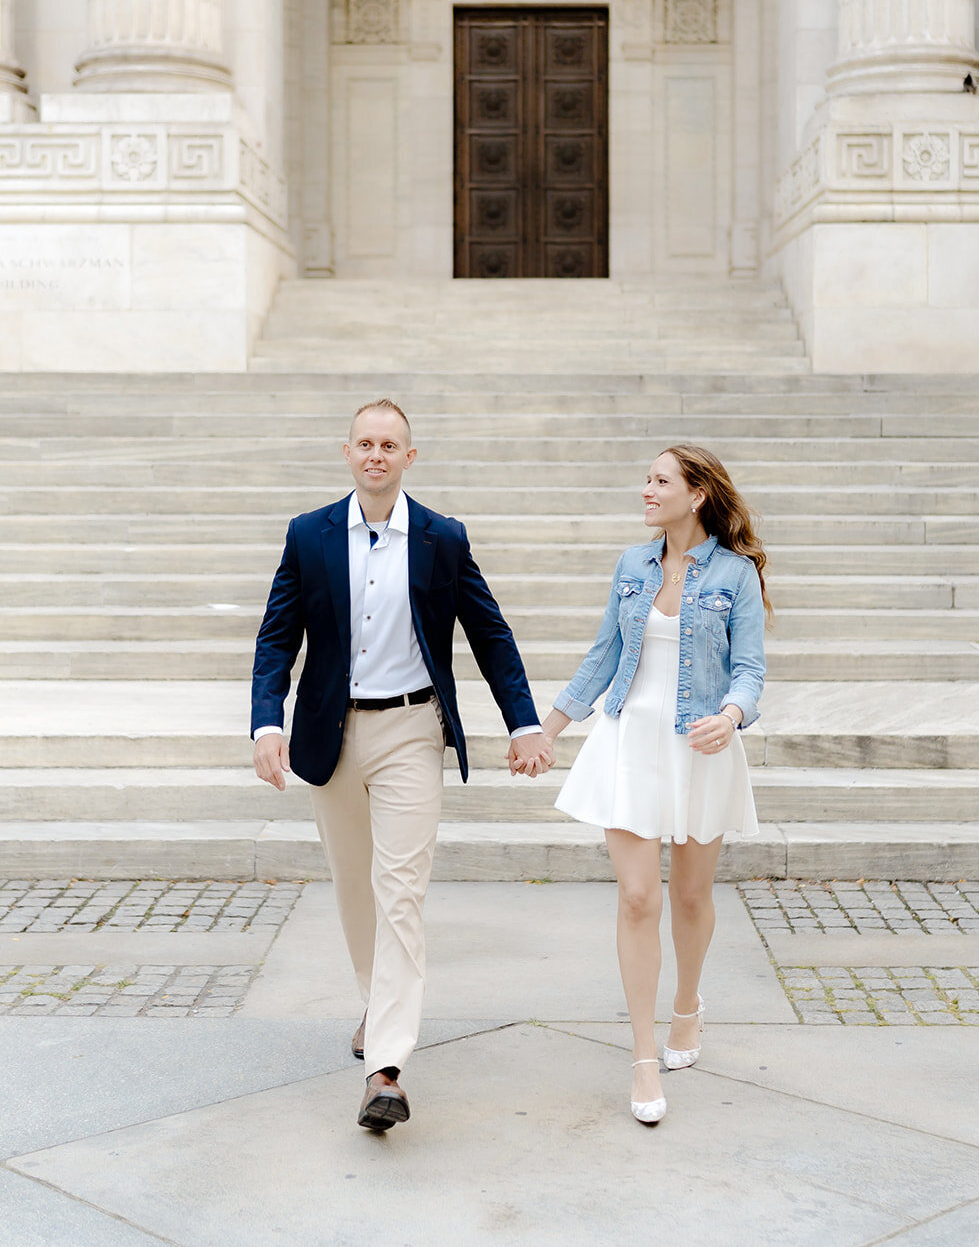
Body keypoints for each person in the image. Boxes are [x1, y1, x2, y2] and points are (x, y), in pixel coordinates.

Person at [251, 399, 553, 1134]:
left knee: (400, 892)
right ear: (347, 452)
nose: (376, 455)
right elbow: (276, 637)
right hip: (332, 735)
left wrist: (524, 721)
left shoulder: (442, 539)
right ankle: (375, 1002)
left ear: (409, 457)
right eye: (365, 443)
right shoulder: (308, 534)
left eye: (390, 444)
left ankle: (385, 1067)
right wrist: (266, 720)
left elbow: (488, 631)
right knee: (356, 889)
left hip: (413, 729)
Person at [531, 444, 767, 1125]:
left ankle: (687, 1006)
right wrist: (548, 730)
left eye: (659, 481)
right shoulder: (632, 565)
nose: (645, 490)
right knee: (638, 899)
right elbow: (603, 652)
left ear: (695, 494)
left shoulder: (736, 573)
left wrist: (729, 715)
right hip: (628, 741)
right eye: (646, 479)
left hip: (700, 744)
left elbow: (750, 669)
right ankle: (640, 1055)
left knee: (690, 897)